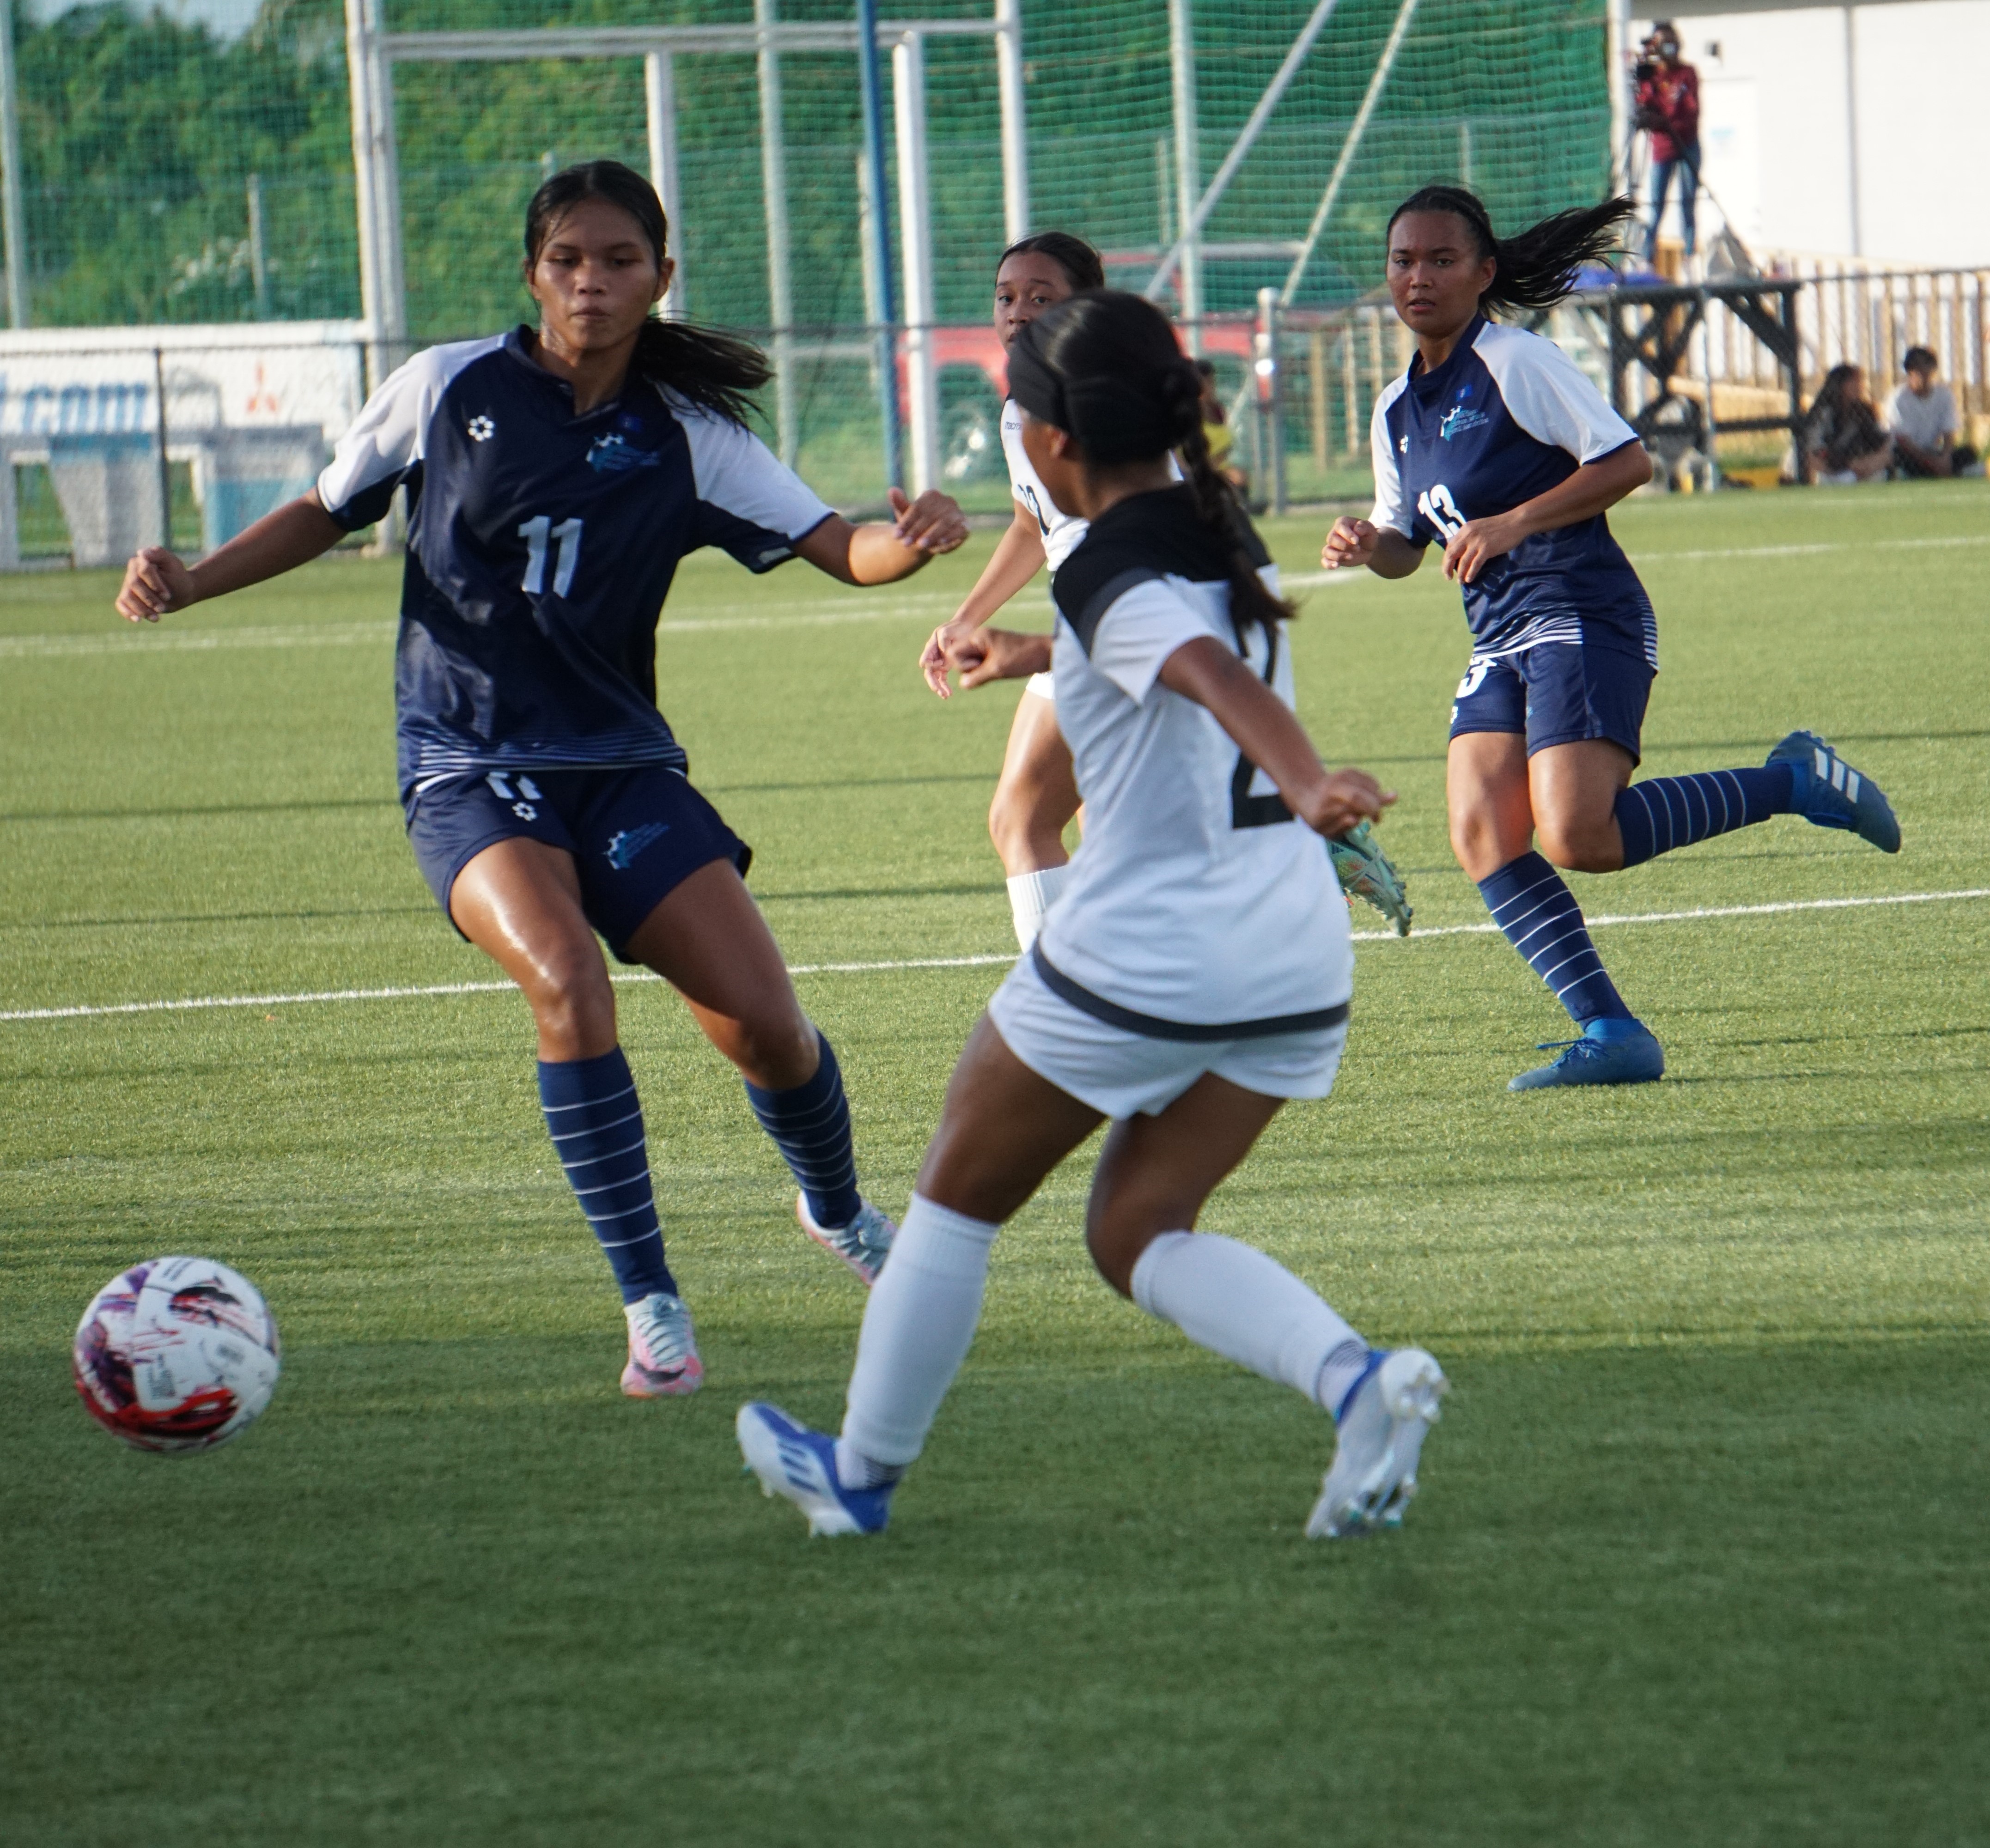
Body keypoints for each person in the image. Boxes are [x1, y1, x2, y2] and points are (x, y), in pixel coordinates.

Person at [113, 160, 970, 1397]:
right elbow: (326, 506)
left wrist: (917, 536)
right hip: (466, 763)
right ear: (533, 273)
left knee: (771, 1031)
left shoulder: (687, 436)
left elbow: (843, 545)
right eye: (568, 259)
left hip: (621, 770)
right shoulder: (448, 386)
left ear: (660, 280)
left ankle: (834, 1211)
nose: (591, 281)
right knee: (567, 977)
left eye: (620, 261)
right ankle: (652, 1305)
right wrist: (191, 578)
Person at [738, 289, 1447, 1543]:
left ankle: (858, 1477)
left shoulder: (1112, 562)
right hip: (1291, 960)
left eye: (1017, 419)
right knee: (1135, 1231)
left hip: (1156, 951)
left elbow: (1202, 673)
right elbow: (1157, 667)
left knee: (954, 1196)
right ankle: (1355, 1385)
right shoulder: (1205, 524)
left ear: (1054, 444)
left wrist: (1305, 778)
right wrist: (1023, 656)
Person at [1322, 184, 1901, 1091]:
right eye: (1401, 260)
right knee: (1479, 831)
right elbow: (1406, 545)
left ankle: (1792, 778)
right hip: (1497, 633)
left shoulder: (1514, 360)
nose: (1416, 276)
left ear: (1482, 273)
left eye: (1440, 259)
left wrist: (1512, 522)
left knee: (1576, 834)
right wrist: (1367, 545)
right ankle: (1610, 1031)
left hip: (1581, 612)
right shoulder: (1394, 406)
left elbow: (1624, 458)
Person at [915, 232, 1104, 951]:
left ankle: (1061, 1022)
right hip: (1101, 620)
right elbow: (1033, 526)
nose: (1018, 310)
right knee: (1110, 834)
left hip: (1115, 619)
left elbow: (1169, 524)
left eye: (1040, 297)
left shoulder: (1101, 402)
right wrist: (962, 617)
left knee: (1020, 820)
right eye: (1005, 297)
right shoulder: (1021, 405)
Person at [1636, 23, 1701, 262]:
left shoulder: (1687, 73)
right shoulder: (1652, 75)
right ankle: (1647, 257)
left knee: (1688, 202)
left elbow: (1692, 110)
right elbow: (1644, 104)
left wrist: (1667, 120)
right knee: (1656, 205)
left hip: (1686, 144)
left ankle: (1689, 256)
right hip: (1662, 149)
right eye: (1663, 43)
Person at [1888, 347, 1979, 478]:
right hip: (1911, 454)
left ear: (1933, 369)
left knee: (1969, 452)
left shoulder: (1945, 395)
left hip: (1933, 452)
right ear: (1909, 371)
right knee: (1899, 458)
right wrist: (1931, 462)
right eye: (1916, 367)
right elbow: (1903, 441)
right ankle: (1947, 472)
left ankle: (1934, 472)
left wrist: (1945, 458)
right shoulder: (1899, 398)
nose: (1922, 371)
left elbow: (1949, 432)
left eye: (1926, 365)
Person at [1805, 363, 1893, 484]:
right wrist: (1849, 464)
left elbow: (1878, 440)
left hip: (1857, 467)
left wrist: (1869, 462)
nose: (1861, 386)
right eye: (1855, 381)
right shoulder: (1823, 412)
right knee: (1846, 478)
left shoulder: (1863, 411)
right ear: (1841, 385)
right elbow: (1816, 451)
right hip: (1829, 469)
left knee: (1883, 466)